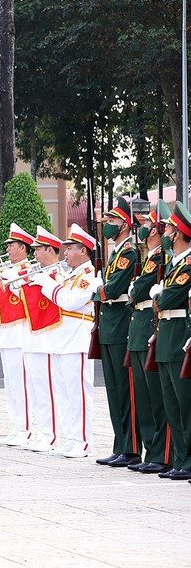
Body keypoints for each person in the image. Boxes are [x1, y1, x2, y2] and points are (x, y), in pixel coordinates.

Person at [29, 224, 102, 458]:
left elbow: (70, 302)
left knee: (79, 393)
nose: (65, 253)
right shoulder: (71, 275)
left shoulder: (88, 276)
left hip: (77, 340)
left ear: (83, 251)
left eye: (70, 248)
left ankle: (83, 441)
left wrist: (47, 285)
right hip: (63, 340)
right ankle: (71, 438)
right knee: (65, 392)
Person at [125, 201, 173, 474]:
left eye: (146, 225)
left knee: (156, 397)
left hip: (150, 323)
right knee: (144, 397)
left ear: (157, 229)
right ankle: (151, 451)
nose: (142, 229)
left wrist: (137, 288)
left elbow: (140, 290)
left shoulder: (159, 258)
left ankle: (161, 453)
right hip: (140, 324)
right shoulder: (149, 257)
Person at [93, 196, 141, 467]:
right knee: (113, 390)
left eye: (112, 221)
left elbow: (111, 289)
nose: (108, 226)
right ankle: (120, 444)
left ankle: (131, 448)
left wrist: (96, 292)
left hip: (121, 322)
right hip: (109, 324)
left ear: (124, 225)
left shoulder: (128, 253)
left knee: (124, 390)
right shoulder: (115, 253)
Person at [16, 227, 67, 453]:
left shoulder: (59, 276)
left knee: (48, 389)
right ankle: (43, 432)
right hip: (32, 337)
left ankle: (52, 436)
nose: (34, 253)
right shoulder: (36, 274)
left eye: (38, 249)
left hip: (48, 339)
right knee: (36, 389)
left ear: (50, 249)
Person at [150, 202, 191, 481]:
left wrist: (157, 294)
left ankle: (187, 461)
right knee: (171, 405)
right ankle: (179, 460)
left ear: (178, 234)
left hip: (178, 335)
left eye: (168, 228)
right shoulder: (174, 264)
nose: (164, 232)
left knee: (185, 404)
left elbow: (168, 299)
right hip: (166, 335)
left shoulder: (188, 264)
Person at [0, 224, 35, 445]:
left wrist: (3, 275)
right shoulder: (8, 269)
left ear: (23, 247)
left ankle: (27, 429)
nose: (7, 250)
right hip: (7, 333)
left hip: (20, 333)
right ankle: (17, 427)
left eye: (11, 246)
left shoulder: (28, 270)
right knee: (11, 384)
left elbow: (23, 295)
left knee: (23, 384)